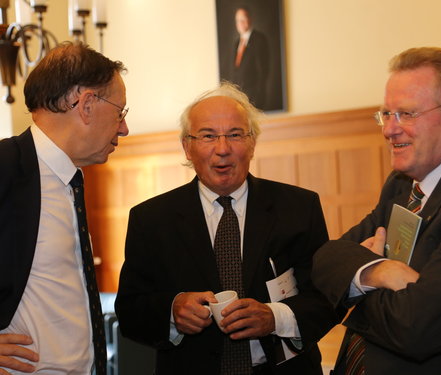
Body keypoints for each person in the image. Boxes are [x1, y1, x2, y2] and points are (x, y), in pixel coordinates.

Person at [115, 82, 342, 375]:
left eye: (235, 135)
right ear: (187, 146)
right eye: (208, 136)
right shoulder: (151, 219)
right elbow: (130, 312)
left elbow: (328, 299)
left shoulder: (299, 207)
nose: (222, 149)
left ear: (252, 143)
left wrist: (276, 317)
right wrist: (171, 312)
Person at [312, 46, 441, 374]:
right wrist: (379, 272)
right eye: (386, 114)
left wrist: (354, 288)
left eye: (406, 113)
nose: (389, 129)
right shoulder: (401, 184)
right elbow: (327, 258)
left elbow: (417, 328)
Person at [0, 42, 129, 374]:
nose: (124, 128)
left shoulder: (71, 178)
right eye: (120, 112)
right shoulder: (4, 168)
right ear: (86, 105)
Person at [230, 6, 269, 110]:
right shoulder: (237, 43)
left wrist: (257, 99)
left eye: (243, 19)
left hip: (254, 100)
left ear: (250, 19)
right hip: (239, 100)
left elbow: (263, 72)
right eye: (238, 20)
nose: (240, 23)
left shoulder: (259, 39)